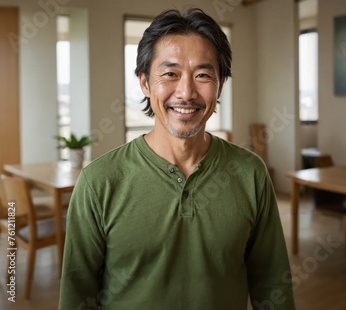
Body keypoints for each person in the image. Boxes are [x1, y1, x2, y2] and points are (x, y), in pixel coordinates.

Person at [59, 8, 296, 310]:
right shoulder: (99, 181)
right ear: (144, 83)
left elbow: (272, 283)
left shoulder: (251, 173)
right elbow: (76, 295)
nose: (186, 92)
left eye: (203, 75)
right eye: (170, 73)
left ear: (220, 84)